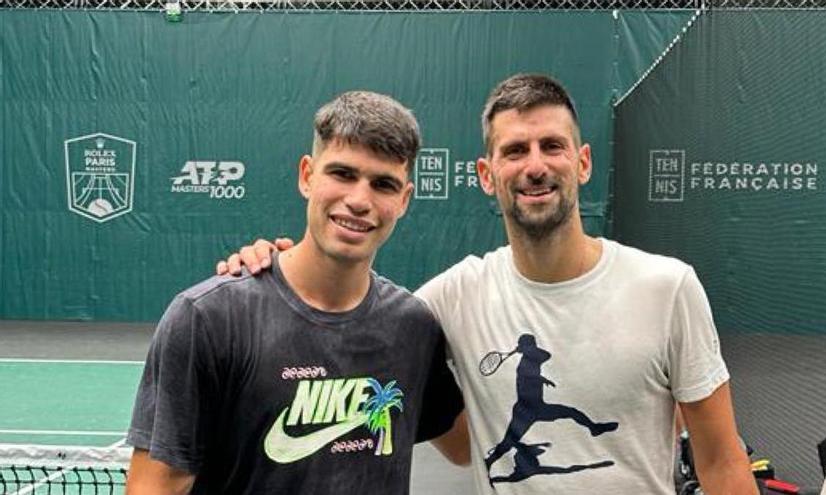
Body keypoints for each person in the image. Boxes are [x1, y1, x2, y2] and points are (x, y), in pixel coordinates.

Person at [217, 74, 758, 494]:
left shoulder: (668, 288)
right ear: (485, 173)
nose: (536, 166)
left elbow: (718, 460)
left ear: (583, 162)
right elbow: (455, 443)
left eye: (553, 146)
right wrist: (272, 267)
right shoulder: (449, 299)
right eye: (515, 151)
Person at [126, 91, 468, 495]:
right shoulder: (208, 318)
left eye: (383, 184)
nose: (359, 200)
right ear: (307, 175)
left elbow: (466, 447)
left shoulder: (413, 328)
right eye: (342, 174)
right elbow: (153, 489)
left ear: (404, 200)